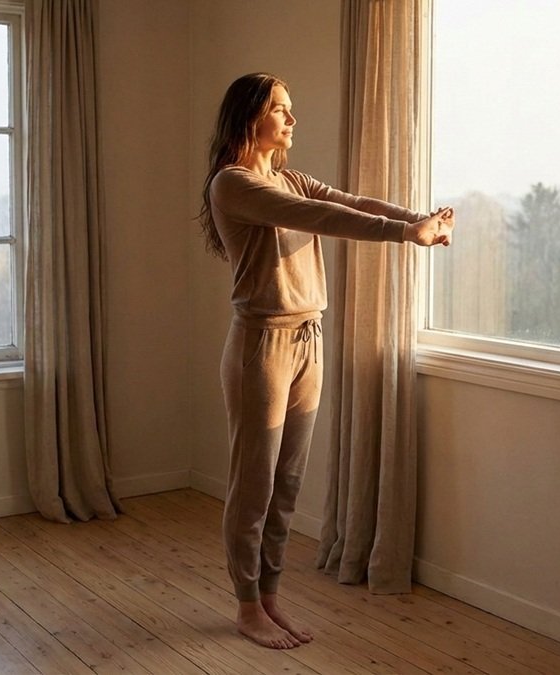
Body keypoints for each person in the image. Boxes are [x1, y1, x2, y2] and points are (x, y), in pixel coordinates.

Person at [197, 72, 455, 650]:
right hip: (261, 347)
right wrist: (405, 233)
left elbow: (349, 201)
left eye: (291, 109)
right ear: (249, 117)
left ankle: (269, 597)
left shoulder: (287, 176)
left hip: (308, 339)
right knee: (254, 484)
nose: (291, 120)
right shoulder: (232, 184)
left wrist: (418, 220)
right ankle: (245, 606)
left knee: (287, 483)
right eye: (281, 110)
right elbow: (326, 220)